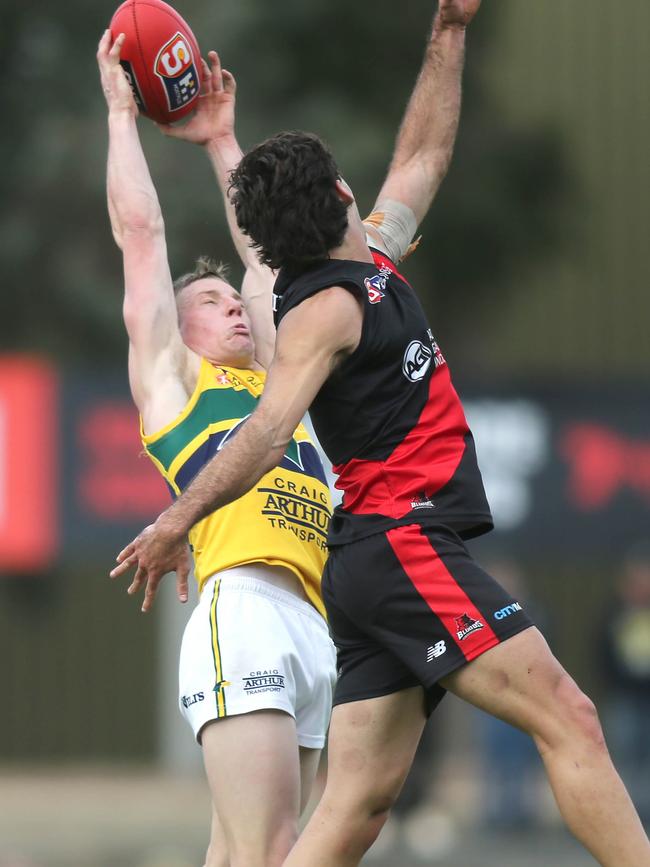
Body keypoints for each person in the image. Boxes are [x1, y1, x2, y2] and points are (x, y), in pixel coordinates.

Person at [109, 2, 650, 865]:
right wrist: (177, 518)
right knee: (571, 715)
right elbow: (263, 432)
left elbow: (426, 154)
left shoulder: (376, 260)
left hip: (356, 565)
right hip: (401, 540)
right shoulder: (322, 310)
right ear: (341, 194)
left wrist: (451, 31)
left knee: (354, 806)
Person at [97, 32, 338, 867]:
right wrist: (122, 112)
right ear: (179, 325)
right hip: (243, 611)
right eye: (209, 299)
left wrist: (223, 142)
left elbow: (269, 260)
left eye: (232, 297)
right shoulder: (176, 384)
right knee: (269, 852)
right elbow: (141, 234)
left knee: (254, 853)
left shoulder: (281, 380)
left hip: (310, 621)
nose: (233, 305)